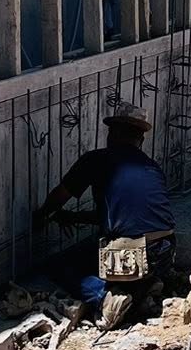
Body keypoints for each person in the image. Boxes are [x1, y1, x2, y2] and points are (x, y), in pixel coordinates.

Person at [33, 103, 176, 329]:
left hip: (132, 256)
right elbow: (124, 217)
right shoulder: (152, 167)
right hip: (166, 251)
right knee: (97, 249)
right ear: (141, 139)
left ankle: (106, 299)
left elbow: (60, 196)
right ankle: (143, 286)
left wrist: (40, 216)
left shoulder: (95, 160)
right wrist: (73, 217)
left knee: (61, 265)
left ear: (113, 133)